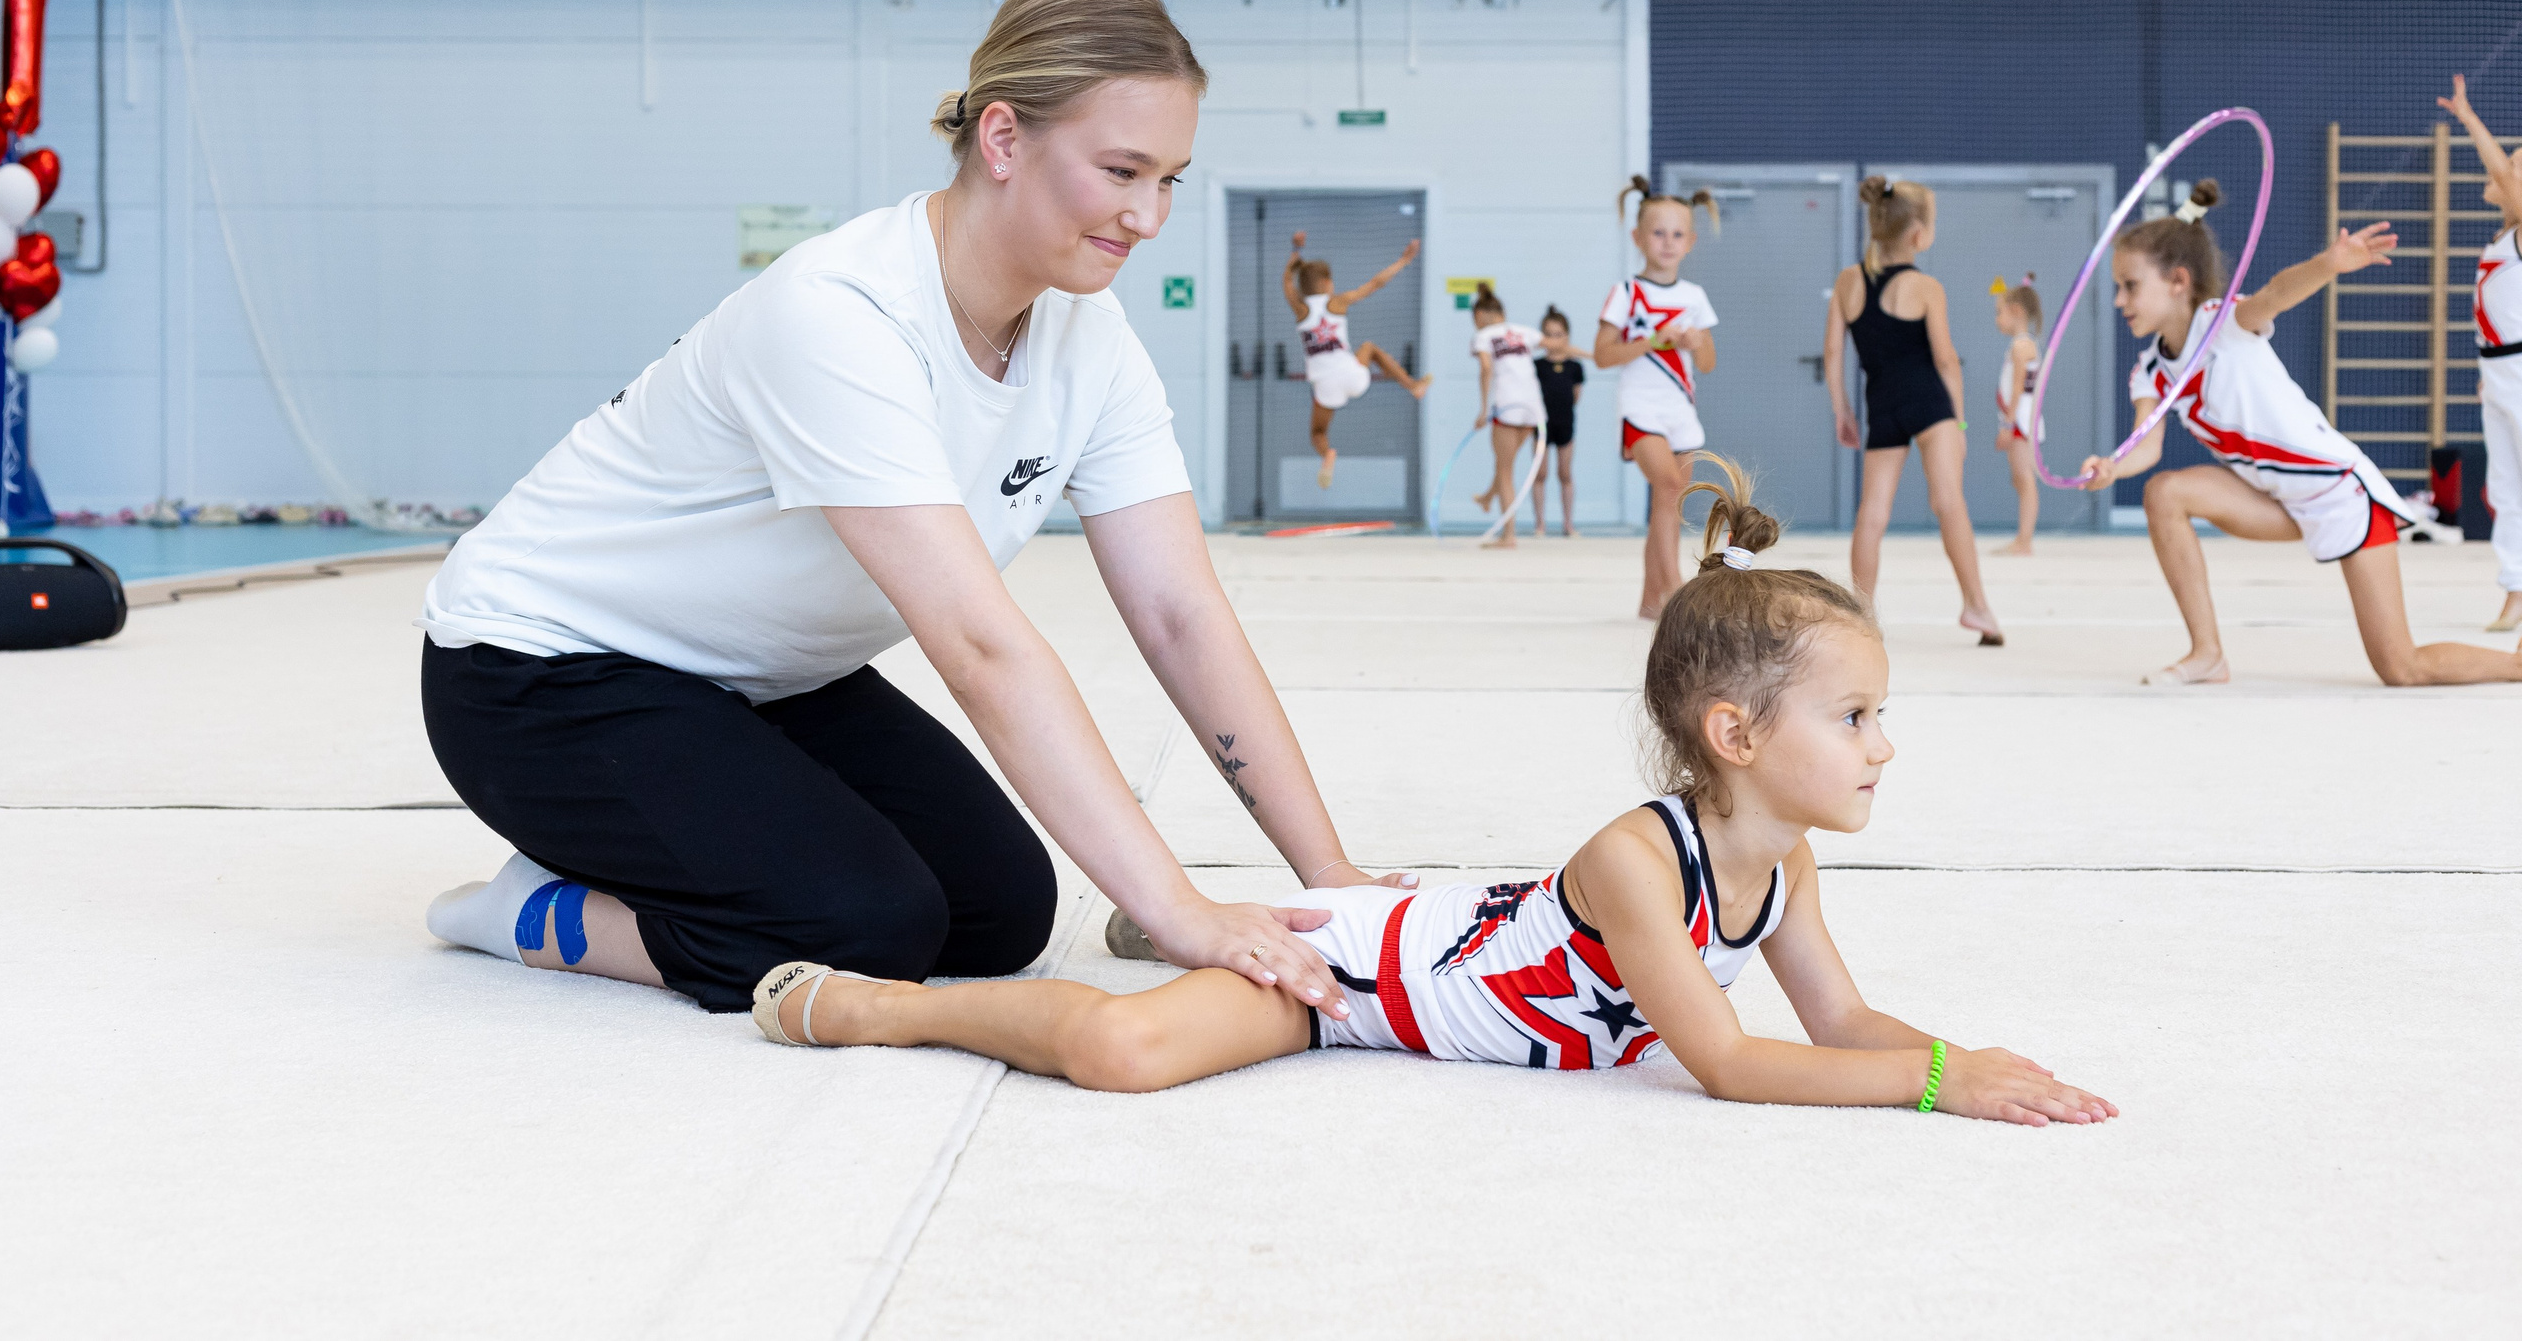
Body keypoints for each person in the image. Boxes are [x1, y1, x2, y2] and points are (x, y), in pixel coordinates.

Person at [414, 0, 1414, 1026]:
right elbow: (979, 647)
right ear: (1002, 139)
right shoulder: (841, 314)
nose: (1148, 215)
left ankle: (682, 840)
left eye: (1170, 179)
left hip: (760, 677)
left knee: (999, 913)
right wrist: (1173, 910)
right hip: (542, 673)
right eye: (1122, 171)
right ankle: (533, 913)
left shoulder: (1090, 341)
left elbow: (1180, 612)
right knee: (861, 925)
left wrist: (1327, 875)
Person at [751, 458, 2117, 1131]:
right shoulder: (1643, 860)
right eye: (1858, 714)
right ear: (1734, 731)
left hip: (1417, 937)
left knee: (1179, 1014)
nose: (1886, 742)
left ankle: (1222, 915)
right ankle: (881, 1003)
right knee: (1127, 1055)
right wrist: (1935, 1084)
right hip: (1356, 979)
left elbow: (1840, 1019)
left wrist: (1981, 1062)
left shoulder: (1785, 866)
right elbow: (1736, 1063)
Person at [2080, 179, 2522, 687]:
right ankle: (2207, 654)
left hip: (2341, 494)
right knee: (2164, 492)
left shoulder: (2221, 323)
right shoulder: (2150, 370)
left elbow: (2275, 294)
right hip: (2277, 502)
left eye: (2130, 286)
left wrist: (2329, 264)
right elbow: (2145, 445)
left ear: (2178, 281)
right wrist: (2112, 466)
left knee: (2402, 668)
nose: (2118, 300)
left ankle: (2516, 664)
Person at [1823, 176, 2004, 646]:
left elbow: (1832, 354)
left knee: (1872, 513)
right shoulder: (1926, 287)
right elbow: (1945, 360)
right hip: (1930, 405)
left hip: (1881, 405)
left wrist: (1842, 410)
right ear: (1920, 234)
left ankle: (1861, 615)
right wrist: (1959, 423)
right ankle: (1976, 607)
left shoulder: (1847, 282)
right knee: (1948, 502)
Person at [1595, 187, 1720, 617]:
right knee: (1667, 487)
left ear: (1690, 242)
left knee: (1669, 504)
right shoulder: (1626, 293)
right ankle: (1677, 593)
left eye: (1677, 234)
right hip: (1640, 407)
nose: (1668, 243)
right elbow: (1602, 354)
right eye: (1658, 233)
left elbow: (1707, 363)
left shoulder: (1694, 297)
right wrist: (1651, 341)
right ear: (1638, 237)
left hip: (1680, 409)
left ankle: (1651, 601)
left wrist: (1694, 340)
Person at [2435, 74, 2522, 634]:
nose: (2504, 171)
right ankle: (2516, 591)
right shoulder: (2502, 238)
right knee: (2506, 489)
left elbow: (2502, 175)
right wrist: (2488, 374)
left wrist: (2469, 119)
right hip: (2500, 372)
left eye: (2514, 166)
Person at [1285, 231, 1430, 490]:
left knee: (1318, 433)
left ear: (1303, 287)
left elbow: (1287, 285)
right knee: (1370, 348)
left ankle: (1328, 454)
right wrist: (1403, 261)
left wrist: (1294, 254)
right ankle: (1412, 386)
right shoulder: (1337, 302)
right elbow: (1375, 283)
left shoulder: (1301, 309)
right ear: (1328, 283)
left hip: (1325, 384)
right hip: (1352, 375)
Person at [1465, 285, 1542, 548]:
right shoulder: (1524, 332)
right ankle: (1488, 497)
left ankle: (1508, 536)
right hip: (1532, 408)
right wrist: (1592, 355)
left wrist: (1483, 408)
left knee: (1505, 469)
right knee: (1506, 463)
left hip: (1507, 405)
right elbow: (1558, 345)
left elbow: (1486, 367)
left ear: (1481, 315)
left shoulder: (1483, 335)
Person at [1990, 275, 2045, 557]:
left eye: (2000, 312)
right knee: (2020, 479)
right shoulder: (2023, 344)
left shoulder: (2021, 346)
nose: (1997, 319)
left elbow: (2017, 388)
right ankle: (2023, 539)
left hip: (2021, 421)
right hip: (2021, 420)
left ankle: (2024, 541)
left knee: (2024, 479)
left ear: (2017, 312)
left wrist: (2007, 424)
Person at [1528, 305, 1590, 537]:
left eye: (1559, 334)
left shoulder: (1575, 367)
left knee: (1565, 473)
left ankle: (1568, 524)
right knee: (1540, 474)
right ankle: (1540, 524)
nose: (1554, 340)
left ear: (1567, 336)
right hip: (1541, 426)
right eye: (1549, 335)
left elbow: (1575, 397)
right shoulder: (1536, 366)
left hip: (1565, 423)